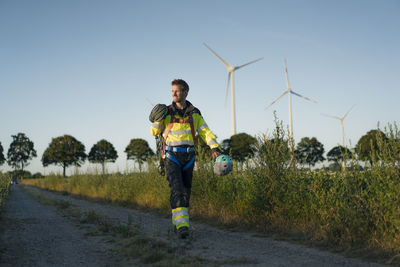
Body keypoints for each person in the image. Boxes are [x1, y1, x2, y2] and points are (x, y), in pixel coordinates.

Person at [150, 79, 221, 239]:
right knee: (177, 188)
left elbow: (205, 131)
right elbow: (154, 132)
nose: (174, 94)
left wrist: (214, 147)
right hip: (171, 156)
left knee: (186, 190)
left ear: (185, 92)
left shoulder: (195, 113)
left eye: (177, 90)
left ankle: (179, 221)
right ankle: (183, 226)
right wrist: (156, 120)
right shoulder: (166, 112)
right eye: (172, 91)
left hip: (189, 156)